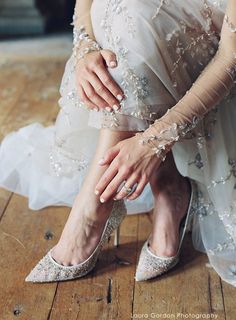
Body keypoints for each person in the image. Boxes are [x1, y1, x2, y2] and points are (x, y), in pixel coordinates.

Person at [0, 0, 235, 285]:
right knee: (118, 10)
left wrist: (155, 141)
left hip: (215, 43)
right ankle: (167, 185)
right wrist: (85, 48)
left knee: (134, 18)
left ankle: (95, 206)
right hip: (139, 34)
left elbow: (230, 58)